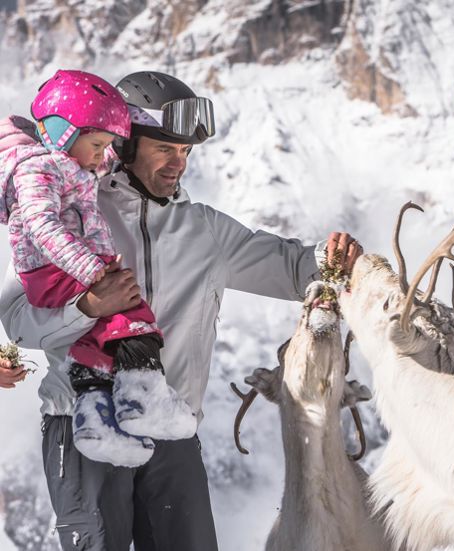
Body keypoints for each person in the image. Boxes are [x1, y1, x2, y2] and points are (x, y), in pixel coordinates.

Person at [0, 70, 363, 551]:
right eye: (166, 149)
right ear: (125, 146)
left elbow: (294, 267)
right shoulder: (75, 209)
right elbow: (18, 321)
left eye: (186, 153)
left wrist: (333, 257)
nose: (179, 164)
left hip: (171, 427)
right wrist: (89, 306)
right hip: (82, 425)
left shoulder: (205, 231)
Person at [0, 69, 195, 471]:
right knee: (131, 315)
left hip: (68, 269)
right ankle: (144, 396)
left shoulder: (73, 161)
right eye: (95, 143)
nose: (100, 153)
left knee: (98, 338)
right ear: (61, 133)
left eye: (106, 145)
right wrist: (91, 271)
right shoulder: (38, 169)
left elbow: (103, 159)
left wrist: (124, 139)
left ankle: (95, 420)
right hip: (57, 271)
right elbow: (42, 226)